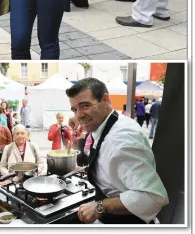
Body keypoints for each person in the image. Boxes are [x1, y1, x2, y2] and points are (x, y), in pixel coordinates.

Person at [66, 78, 168, 223]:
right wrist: (81, 117)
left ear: (106, 100)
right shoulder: (110, 121)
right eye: (75, 109)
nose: (79, 114)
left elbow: (153, 197)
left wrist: (100, 207)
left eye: (85, 105)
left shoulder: (121, 142)